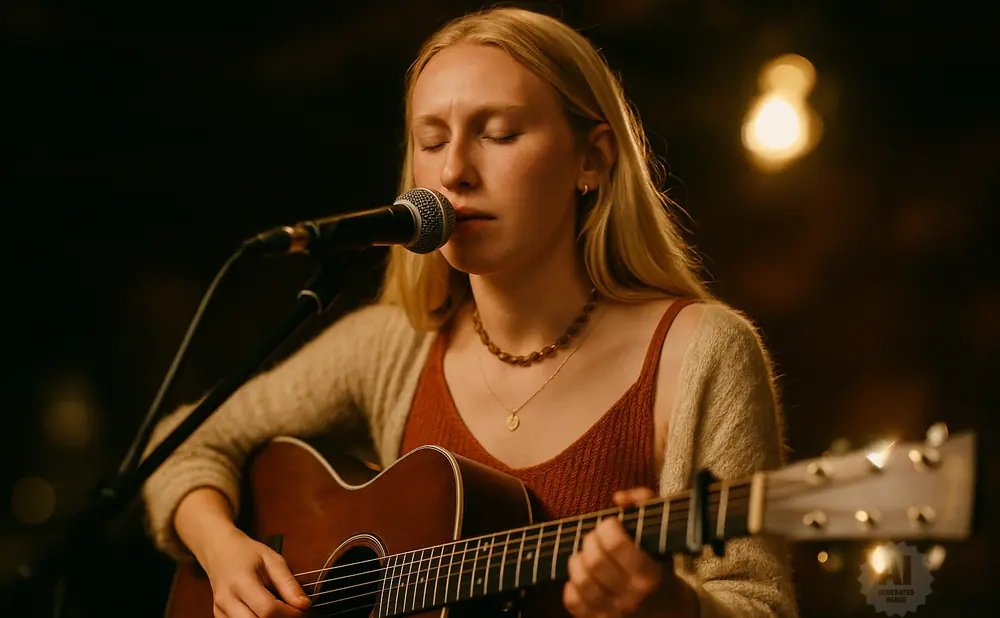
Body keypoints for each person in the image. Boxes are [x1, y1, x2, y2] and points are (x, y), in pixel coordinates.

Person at [142, 6, 798, 618]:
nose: (453, 170)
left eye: (499, 133)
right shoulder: (390, 346)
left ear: (591, 160)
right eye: (431, 141)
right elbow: (181, 442)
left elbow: (758, 602)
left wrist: (666, 605)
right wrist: (223, 552)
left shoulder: (703, 351)